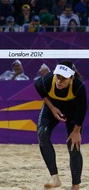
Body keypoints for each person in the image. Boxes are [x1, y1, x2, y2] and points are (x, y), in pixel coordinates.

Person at [35, 61, 87, 190]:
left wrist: (76, 132)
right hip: (53, 107)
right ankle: (55, 178)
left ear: (71, 78)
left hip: (73, 111)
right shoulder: (48, 80)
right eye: (58, 77)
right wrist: (52, 108)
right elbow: (38, 87)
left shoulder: (78, 86)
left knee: (73, 145)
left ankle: (75, 185)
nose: (59, 81)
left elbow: (82, 109)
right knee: (42, 134)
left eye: (63, 79)